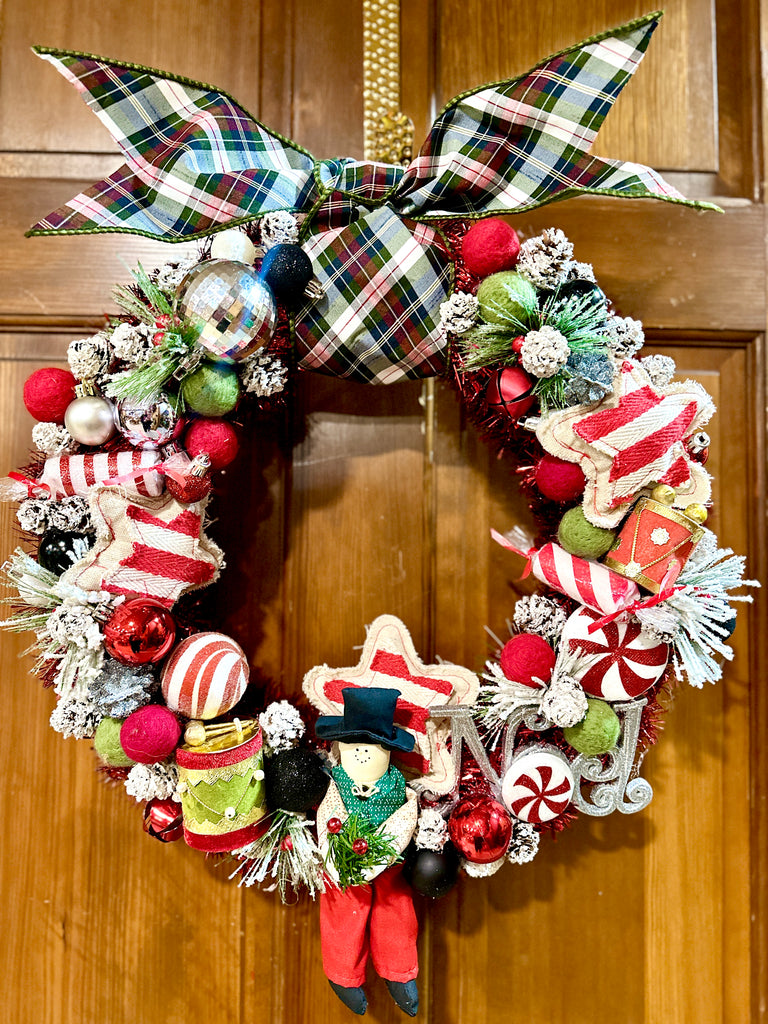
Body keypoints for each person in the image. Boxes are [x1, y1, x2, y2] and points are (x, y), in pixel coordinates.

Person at [315, 686, 419, 1016]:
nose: (362, 754)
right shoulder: (336, 780)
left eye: (371, 746)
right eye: (354, 745)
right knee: (342, 905)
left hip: (387, 856)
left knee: (395, 905)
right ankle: (342, 974)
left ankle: (399, 972)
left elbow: (407, 813)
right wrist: (335, 852)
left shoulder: (397, 785)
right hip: (343, 855)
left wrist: (388, 846)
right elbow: (328, 811)